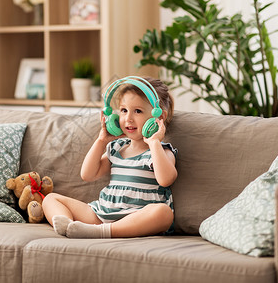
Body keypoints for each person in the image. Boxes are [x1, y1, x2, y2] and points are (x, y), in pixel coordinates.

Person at [42, 76, 177, 238]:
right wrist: (101, 140)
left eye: (138, 111)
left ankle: (100, 232)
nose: (128, 118)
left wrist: (154, 143)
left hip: (136, 218)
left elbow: (165, 179)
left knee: (164, 212)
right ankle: (69, 226)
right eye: (124, 110)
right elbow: (88, 174)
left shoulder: (161, 151)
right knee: (50, 198)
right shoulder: (116, 148)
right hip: (103, 214)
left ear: (159, 118)